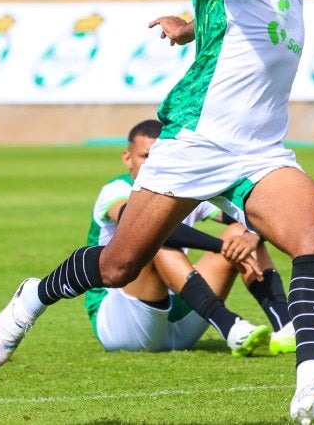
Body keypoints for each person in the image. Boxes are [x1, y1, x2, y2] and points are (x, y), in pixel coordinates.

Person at [0, 0, 314, 424]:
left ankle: (310, 377)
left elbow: (229, 21)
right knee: (118, 267)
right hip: (195, 139)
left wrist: (189, 26)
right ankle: (33, 296)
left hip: (260, 151)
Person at [82, 119, 297, 354]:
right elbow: (143, 227)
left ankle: (285, 327)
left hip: (182, 312)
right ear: (127, 158)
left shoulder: (186, 190)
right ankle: (229, 325)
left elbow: (260, 218)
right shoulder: (116, 190)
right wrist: (219, 245)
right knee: (151, 238)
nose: (153, 165)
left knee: (242, 233)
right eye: (146, 156)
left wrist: (251, 237)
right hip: (124, 322)